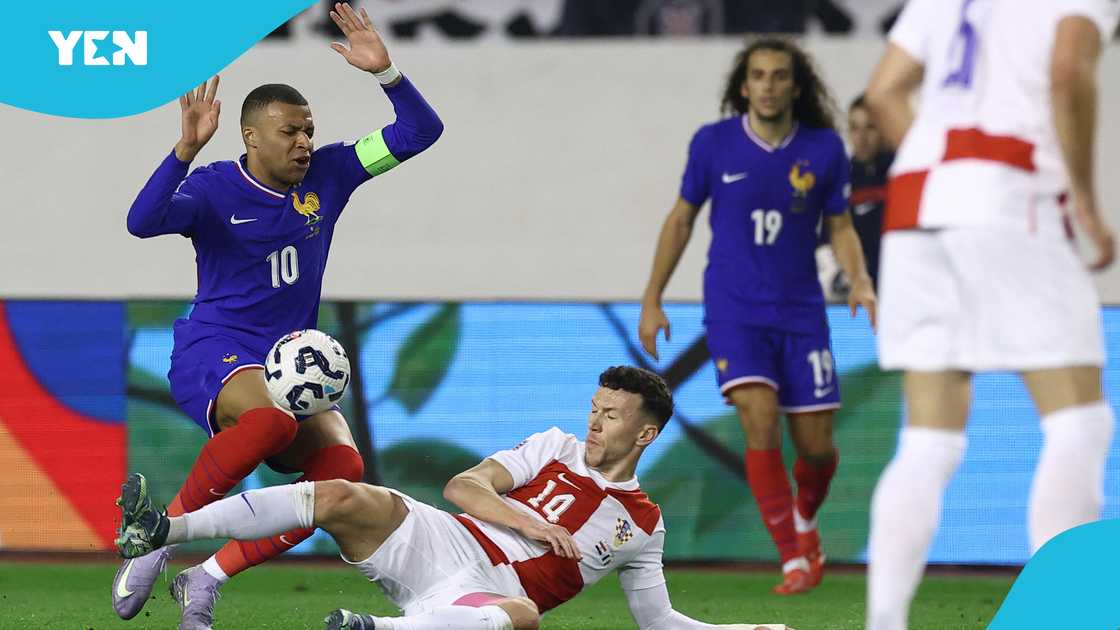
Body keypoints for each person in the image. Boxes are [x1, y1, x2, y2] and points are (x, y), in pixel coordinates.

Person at [117, 4, 443, 628]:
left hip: (287, 360)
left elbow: (419, 132)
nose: (304, 143)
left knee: (341, 475)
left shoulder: (332, 173)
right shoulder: (213, 189)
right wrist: (182, 151)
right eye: (290, 132)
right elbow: (142, 222)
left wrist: (389, 74)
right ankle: (158, 540)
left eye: (309, 131)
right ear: (251, 136)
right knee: (271, 425)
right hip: (212, 350)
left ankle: (206, 578)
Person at [115, 367, 790, 630]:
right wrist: (525, 517)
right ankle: (166, 529)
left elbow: (661, 624)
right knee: (346, 493)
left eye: (611, 415)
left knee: (523, 618)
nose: (594, 421)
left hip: (482, 594)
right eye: (594, 406)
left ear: (644, 433)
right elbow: (463, 487)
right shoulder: (552, 446)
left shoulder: (643, 526)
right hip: (451, 539)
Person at [863, 0, 1118, 628]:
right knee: (1079, 422)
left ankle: (885, 621)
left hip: (916, 204)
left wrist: (944, 164)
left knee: (928, 441)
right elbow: (1067, 70)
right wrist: (1084, 198)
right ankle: (1066, 616)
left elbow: (884, 91)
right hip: (1012, 191)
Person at [637, 38, 876, 595]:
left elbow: (839, 225)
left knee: (817, 448)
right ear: (743, 87)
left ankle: (807, 522)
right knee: (759, 417)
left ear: (796, 85)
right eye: (759, 76)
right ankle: (792, 557)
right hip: (734, 311)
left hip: (802, 314)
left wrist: (860, 278)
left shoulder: (824, 150)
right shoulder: (713, 144)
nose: (768, 85)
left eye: (779, 76)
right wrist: (653, 297)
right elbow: (680, 221)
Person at [818, 94, 894, 292]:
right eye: (855, 128)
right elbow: (825, 241)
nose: (862, 137)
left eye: (870, 127)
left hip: (897, 296)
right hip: (853, 299)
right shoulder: (839, 179)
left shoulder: (901, 174)